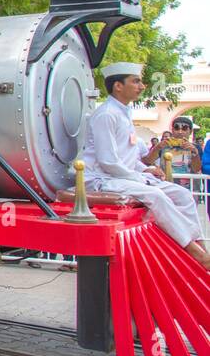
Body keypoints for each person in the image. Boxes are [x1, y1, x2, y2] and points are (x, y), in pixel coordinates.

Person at [81, 62, 210, 270]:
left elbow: (127, 157)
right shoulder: (106, 114)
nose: (142, 86)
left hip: (123, 177)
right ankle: (194, 253)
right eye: (136, 81)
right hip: (102, 179)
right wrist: (140, 176)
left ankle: (202, 249)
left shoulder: (125, 113)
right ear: (118, 86)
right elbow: (107, 161)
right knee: (156, 196)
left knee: (182, 195)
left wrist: (145, 170)